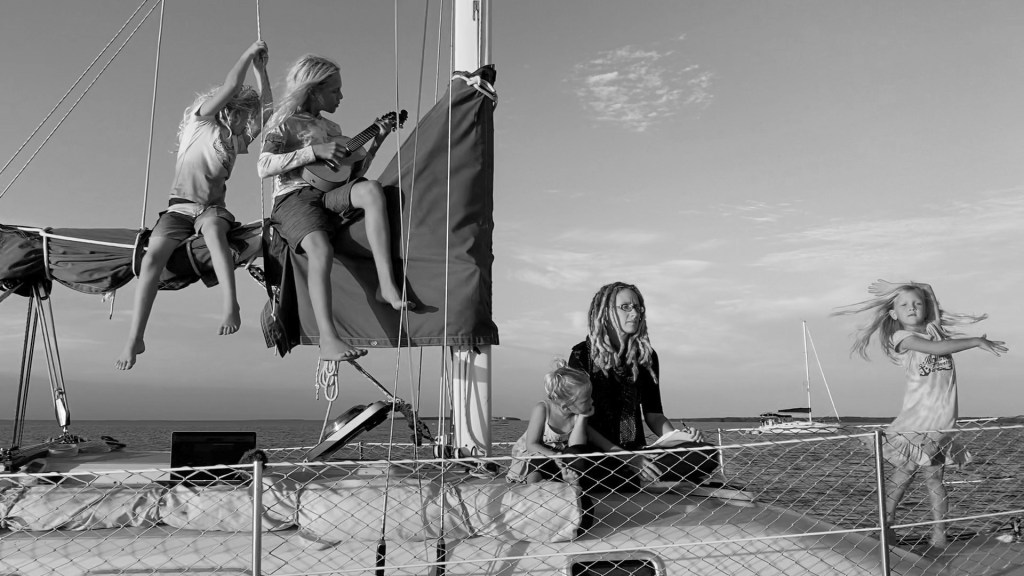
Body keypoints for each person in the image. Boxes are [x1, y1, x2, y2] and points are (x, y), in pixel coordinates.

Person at [115, 41, 271, 370]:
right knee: (152, 260)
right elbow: (230, 86)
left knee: (215, 231)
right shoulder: (202, 122)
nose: (246, 120)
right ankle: (135, 336)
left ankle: (231, 305)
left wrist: (262, 72)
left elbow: (268, 113)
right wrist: (246, 55)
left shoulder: (235, 142)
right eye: (243, 112)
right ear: (232, 107)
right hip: (178, 208)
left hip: (210, 210)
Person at [257, 54, 411, 367]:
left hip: (330, 195)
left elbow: (349, 173)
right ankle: (328, 338)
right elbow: (263, 166)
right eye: (334, 90)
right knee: (320, 248)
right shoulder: (283, 122)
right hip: (294, 197)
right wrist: (313, 150)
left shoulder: (332, 127)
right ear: (313, 90)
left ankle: (385, 283)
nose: (340, 96)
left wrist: (378, 140)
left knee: (370, 189)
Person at [833, 279, 1007, 548]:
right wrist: (974, 341)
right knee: (905, 471)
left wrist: (903, 285)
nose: (912, 308)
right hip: (918, 420)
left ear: (926, 308)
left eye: (917, 304)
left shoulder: (934, 329)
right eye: (904, 305)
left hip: (943, 422)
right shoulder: (902, 338)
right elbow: (938, 349)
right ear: (894, 314)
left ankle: (939, 534)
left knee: (934, 477)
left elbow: (927, 290)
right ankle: (886, 527)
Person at [566, 281, 717, 492]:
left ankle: (635, 477)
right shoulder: (582, 354)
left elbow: (654, 415)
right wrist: (627, 458)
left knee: (707, 453)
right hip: (595, 453)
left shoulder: (647, 356)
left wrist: (678, 439)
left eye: (638, 307)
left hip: (638, 452)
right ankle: (632, 478)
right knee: (574, 461)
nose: (635, 313)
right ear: (606, 312)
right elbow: (577, 420)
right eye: (626, 307)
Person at [506, 360, 594, 484]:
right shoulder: (542, 409)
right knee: (539, 460)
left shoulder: (576, 415)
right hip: (536, 456)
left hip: (560, 460)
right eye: (586, 400)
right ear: (565, 406)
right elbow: (531, 445)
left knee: (574, 456)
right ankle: (532, 486)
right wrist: (553, 455)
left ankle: (569, 482)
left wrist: (583, 417)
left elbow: (576, 446)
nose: (592, 401)